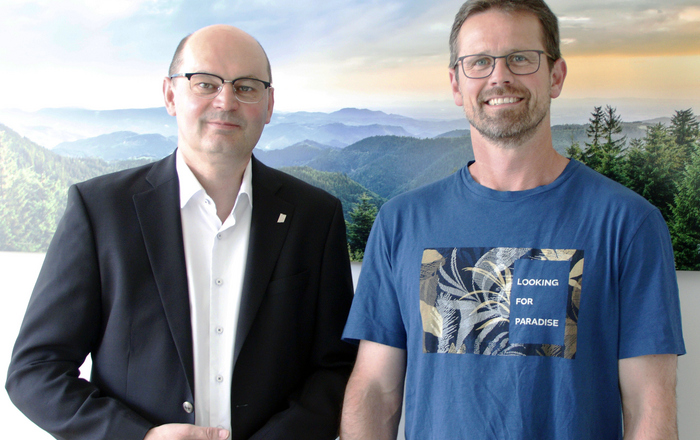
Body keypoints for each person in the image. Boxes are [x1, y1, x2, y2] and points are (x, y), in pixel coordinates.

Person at [340, 0, 685, 439]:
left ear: (555, 75)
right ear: (455, 83)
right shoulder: (401, 223)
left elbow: (649, 404)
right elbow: (374, 389)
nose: (499, 76)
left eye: (521, 58)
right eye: (479, 62)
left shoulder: (629, 223)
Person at [6, 25, 356, 440]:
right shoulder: (100, 211)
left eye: (246, 87)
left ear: (269, 104)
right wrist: (140, 438)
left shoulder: (315, 215)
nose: (225, 101)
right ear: (171, 95)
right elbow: (35, 371)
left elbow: (335, 368)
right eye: (204, 83)